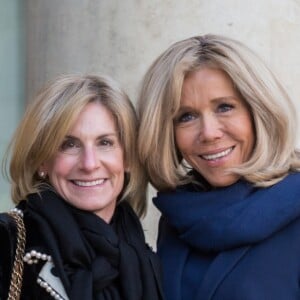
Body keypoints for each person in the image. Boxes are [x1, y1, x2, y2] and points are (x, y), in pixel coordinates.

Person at [137, 34, 300, 300]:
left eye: (225, 107)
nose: (209, 133)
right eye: (186, 116)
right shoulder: (179, 216)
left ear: (258, 111)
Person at [0, 74, 164, 300]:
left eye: (105, 143)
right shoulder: (7, 241)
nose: (89, 164)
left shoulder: (146, 257)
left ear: (128, 158)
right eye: (69, 145)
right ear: (42, 161)